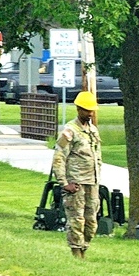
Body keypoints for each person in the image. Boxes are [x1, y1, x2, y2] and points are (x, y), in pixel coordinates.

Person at [51, 91, 102, 260]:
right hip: (76, 184)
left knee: (91, 221)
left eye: (92, 110)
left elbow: (97, 156)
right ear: (78, 109)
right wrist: (64, 183)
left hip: (92, 183)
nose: (90, 113)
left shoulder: (93, 130)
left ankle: (84, 248)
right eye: (87, 110)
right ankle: (76, 253)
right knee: (76, 220)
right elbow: (59, 158)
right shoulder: (69, 131)